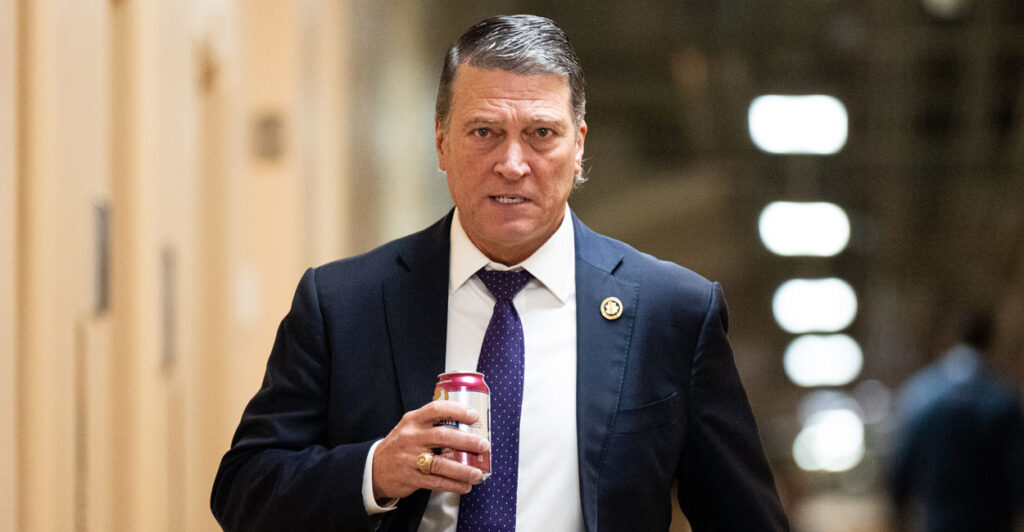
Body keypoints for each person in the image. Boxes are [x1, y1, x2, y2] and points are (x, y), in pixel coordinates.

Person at [211, 14, 788, 532]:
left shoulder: (671, 311)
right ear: (442, 142)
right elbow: (243, 491)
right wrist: (377, 470)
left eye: (541, 134)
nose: (512, 165)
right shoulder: (343, 303)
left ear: (579, 147)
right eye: (484, 132)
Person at [891, 313, 1024, 532]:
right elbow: (1016, 463)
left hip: (939, 514)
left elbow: (905, 455)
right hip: (992, 517)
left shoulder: (923, 390)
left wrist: (898, 506)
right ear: (990, 341)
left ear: (949, 340)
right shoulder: (1004, 395)